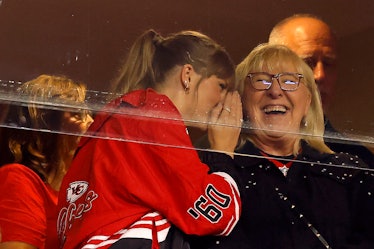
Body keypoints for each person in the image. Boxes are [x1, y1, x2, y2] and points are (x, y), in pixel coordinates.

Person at [57, 29, 243, 249]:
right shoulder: (155, 117)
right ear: (188, 76)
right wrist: (224, 150)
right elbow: (214, 215)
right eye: (222, 86)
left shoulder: (119, 118)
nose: (226, 100)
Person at [190, 43, 374, 249]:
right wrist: (220, 157)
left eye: (289, 80)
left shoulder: (349, 173)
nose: (275, 90)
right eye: (261, 80)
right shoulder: (214, 173)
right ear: (239, 101)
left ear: (307, 103)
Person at [268, 13, 374, 167]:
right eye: (307, 62)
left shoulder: (358, 159)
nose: (320, 75)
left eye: (328, 63)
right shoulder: (237, 141)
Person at [0, 74, 93, 249]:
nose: (91, 122)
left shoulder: (77, 191)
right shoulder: (19, 179)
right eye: (78, 114)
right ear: (47, 125)